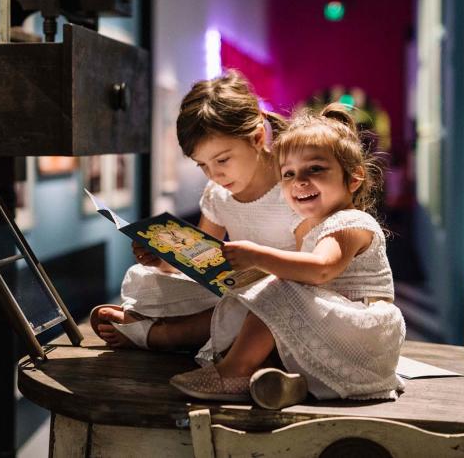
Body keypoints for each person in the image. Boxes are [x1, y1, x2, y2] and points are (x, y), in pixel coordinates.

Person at [170, 104, 406, 409]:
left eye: (316, 169)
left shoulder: (350, 223)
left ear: (354, 177)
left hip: (365, 335)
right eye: (289, 174)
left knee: (281, 286)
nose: (300, 181)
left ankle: (234, 372)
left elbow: (321, 270)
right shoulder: (313, 227)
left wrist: (258, 256)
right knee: (270, 293)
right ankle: (288, 382)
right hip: (337, 333)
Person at [91, 70, 300, 351]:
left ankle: (156, 335)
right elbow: (201, 264)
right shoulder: (218, 194)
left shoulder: (295, 185)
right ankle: (155, 321)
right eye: (202, 165)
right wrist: (163, 259)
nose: (214, 174)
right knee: (144, 280)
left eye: (222, 160)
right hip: (236, 286)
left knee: (251, 304)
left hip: (291, 290)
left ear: (257, 138)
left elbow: (313, 264)